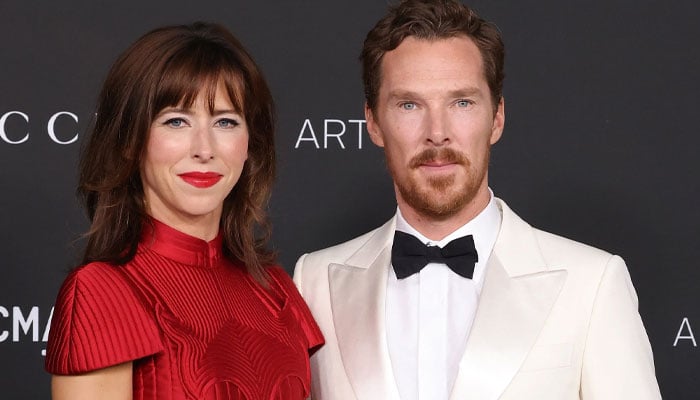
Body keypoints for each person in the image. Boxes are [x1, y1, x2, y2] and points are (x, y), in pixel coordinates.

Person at [293, 1, 661, 399]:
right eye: (409, 105)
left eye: (462, 103)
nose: (437, 133)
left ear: (497, 117)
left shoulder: (591, 284)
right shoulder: (315, 281)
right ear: (373, 122)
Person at [45, 22, 323, 400]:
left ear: (250, 144)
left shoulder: (275, 289)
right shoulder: (101, 292)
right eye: (176, 121)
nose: (204, 149)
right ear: (130, 141)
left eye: (225, 121)